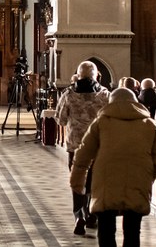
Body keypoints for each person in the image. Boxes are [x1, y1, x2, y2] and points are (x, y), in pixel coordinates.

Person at [69, 88, 156, 246]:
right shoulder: (149, 124)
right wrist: (150, 175)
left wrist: (77, 183)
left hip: (106, 181)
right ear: (135, 102)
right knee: (133, 231)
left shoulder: (101, 122)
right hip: (138, 180)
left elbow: (83, 154)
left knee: (106, 229)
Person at [56, 61, 109, 235]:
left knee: (78, 182)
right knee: (94, 181)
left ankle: (79, 216)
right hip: (97, 146)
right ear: (97, 76)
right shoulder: (104, 95)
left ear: (78, 76)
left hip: (75, 146)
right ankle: (92, 214)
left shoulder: (69, 94)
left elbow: (61, 119)